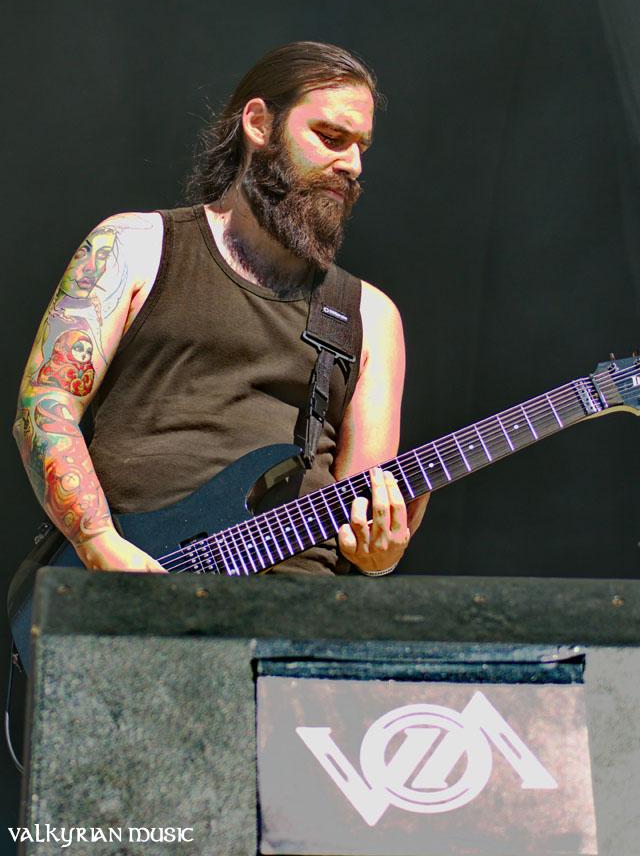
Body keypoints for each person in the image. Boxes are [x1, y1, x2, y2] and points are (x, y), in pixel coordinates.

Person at [13, 41, 429, 576]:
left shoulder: (370, 315)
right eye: (331, 137)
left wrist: (380, 554)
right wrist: (97, 541)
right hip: (129, 588)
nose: (352, 164)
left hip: (296, 612)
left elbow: (362, 516)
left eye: (360, 147)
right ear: (259, 123)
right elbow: (44, 405)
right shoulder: (135, 246)